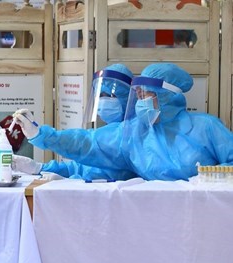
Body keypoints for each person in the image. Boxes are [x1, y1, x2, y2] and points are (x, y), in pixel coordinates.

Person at [13, 63, 233, 181]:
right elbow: (88, 143)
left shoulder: (206, 126)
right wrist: (42, 135)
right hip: (155, 219)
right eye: (138, 94)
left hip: (205, 214)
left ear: (168, 95)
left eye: (147, 94)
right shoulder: (135, 134)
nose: (140, 101)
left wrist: (209, 178)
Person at [13, 63, 138, 181]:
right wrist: (38, 168)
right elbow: (79, 167)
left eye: (110, 96)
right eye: (100, 95)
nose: (103, 101)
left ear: (127, 98)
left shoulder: (130, 134)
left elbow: (85, 143)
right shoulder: (107, 131)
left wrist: (41, 135)